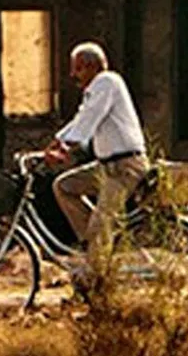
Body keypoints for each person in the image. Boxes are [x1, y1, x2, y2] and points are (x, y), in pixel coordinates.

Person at [43, 42, 149, 266]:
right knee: (64, 186)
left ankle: (96, 280)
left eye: (78, 68)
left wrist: (65, 146)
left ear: (92, 66)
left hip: (125, 167)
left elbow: (90, 118)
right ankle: (96, 246)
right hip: (106, 167)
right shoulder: (97, 90)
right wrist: (57, 140)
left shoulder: (107, 82)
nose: (73, 75)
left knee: (101, 226)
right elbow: (81, 118)